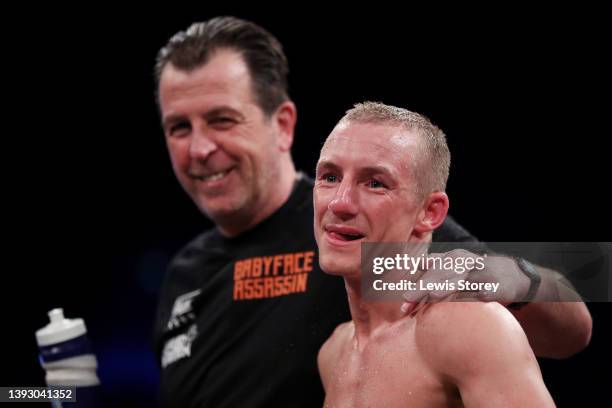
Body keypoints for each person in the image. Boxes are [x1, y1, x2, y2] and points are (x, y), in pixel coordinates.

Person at [152, 16, 590, 407]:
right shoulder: (184, 274)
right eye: (179, 128)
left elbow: (573, 325)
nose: (200, 148)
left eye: (222, 120)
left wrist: (507, 273)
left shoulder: (367, 228)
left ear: (283, 124)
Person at [315, 101, 555, 407]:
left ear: (429, 212)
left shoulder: (468, 326)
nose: (339, 202)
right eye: (330, 177)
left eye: (375, 183)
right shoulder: (334, 352)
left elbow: (578, 329)